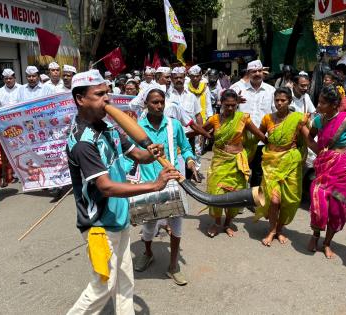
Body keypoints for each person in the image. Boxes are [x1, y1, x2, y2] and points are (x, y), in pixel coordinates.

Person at [66, 70, 179, 314]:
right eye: (98, 95)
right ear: (80, 99)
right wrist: (155, 185)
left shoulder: (108, 129)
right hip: (99, 226)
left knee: (125, 280)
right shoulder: (83, 141)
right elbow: (105, 186)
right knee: (102, 287)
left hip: (119, 218)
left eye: (107, 93)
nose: (107, 99)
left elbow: (138, 155)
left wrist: (152, 152)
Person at [133, 87, 197, 286]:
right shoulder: (137, 127)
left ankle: (173, 265)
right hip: (149, 184)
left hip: (172, 182)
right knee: (149, 226)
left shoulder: (174, 125)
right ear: (146, 104)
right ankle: (148, 252)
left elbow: (186, 147)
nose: (159, 105)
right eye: (154, 102)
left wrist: (190, 161)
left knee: (176, 224)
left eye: (161, 101)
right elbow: (130, 155)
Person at [306, 85, 346, 259]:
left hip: (344, 171)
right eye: (318, 102)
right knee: (319, 205)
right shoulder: (318, 120)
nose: (318, 106)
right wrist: (319, 151)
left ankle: (327, 243)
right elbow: (310, 137)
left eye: (323, 103)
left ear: (334, 105)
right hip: (324, 167)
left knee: (337, 208)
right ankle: (315, 235)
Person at [203, 89, 266, 237]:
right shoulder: (214, 119)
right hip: (219, 161)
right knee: (216, 192)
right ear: (221, 103)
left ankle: (227, 223)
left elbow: (259, 135)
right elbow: (201, 130)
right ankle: (217, 222)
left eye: (233, 105)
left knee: (235, 193)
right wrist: (181, 135)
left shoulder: (243, 118)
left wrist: (274, 145)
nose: (230, 108)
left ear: (237, 104)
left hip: (237, 162)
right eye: (227, 105)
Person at [255, 88, 310, 246]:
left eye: (283, 100)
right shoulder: (267, 119)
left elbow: (308, 140)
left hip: (291, 163)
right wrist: (269, 146)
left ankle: (279, 229)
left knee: (290, 201)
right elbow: (260, 134)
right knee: (273, 199)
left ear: (290, 101)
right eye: (277, 100)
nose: (279, 103)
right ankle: (272, 230)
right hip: (271, 164)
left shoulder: (298, 119)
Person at [238, 60, 276, 190]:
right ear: (248, 73)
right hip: (241, 139)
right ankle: (239, 200)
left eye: (260, 71)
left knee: (259, 172)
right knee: (241, 169)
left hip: (262, 139)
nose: (257, 74)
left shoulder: (271, 91)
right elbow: (225, 110)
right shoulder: (237, 89)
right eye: (254, 71)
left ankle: (254, 199)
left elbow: (275, 114)